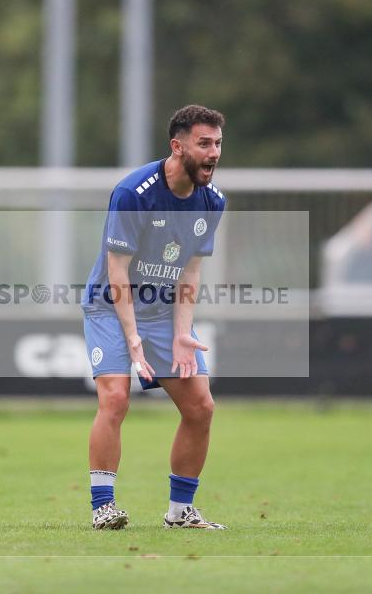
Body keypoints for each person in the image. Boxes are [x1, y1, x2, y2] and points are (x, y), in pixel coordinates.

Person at [82, 105, 227, 529]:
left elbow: (191, 269)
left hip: (163, 311)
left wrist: (182, 331)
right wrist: (132, 339)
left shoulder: (212, 201)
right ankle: (103, 506)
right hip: (111, 306)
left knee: (201, 407)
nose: (214, 152)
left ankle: (180, 512)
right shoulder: (134, 192)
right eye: (204, 143)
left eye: (218, 143)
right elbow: (117, 272)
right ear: (177, 146)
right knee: (115, 398)